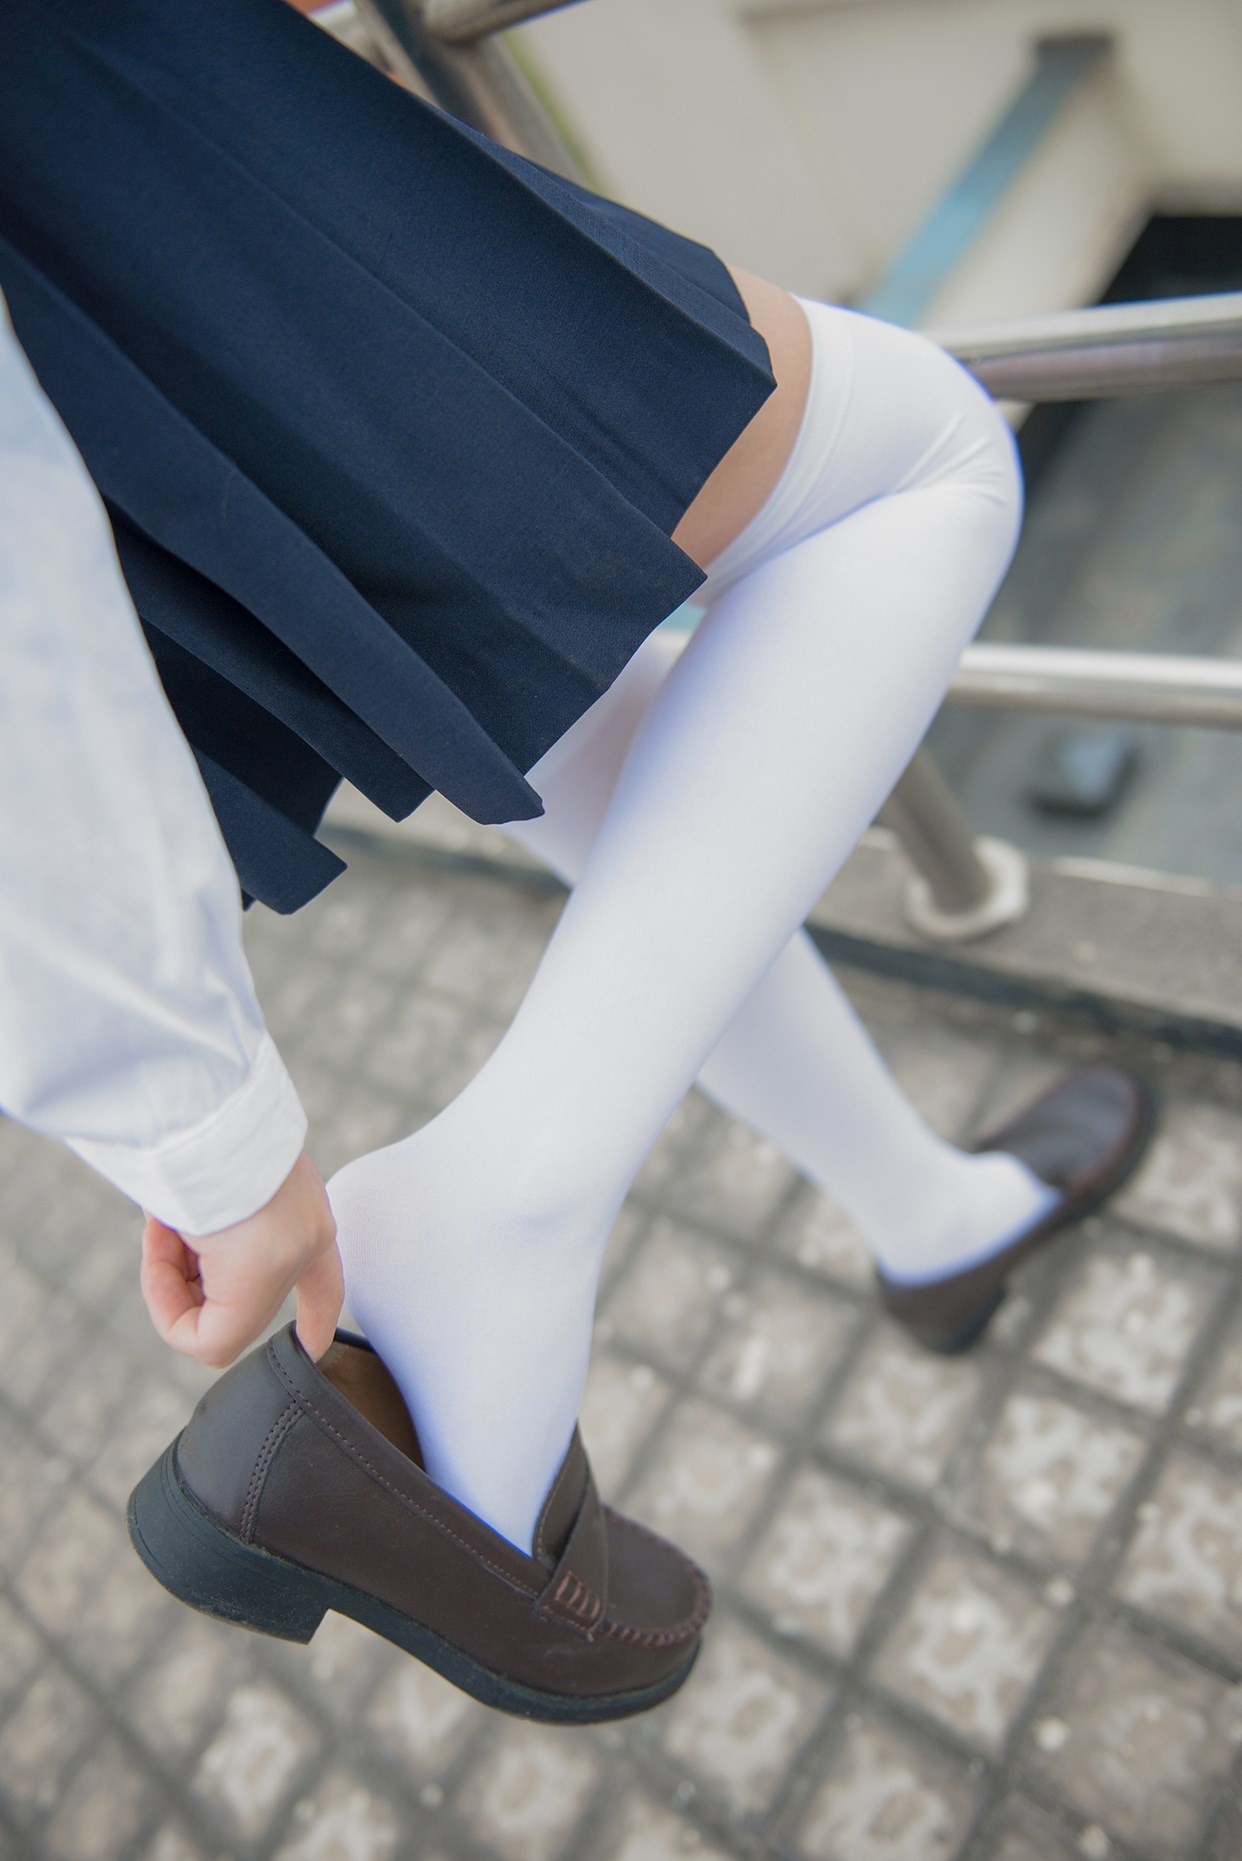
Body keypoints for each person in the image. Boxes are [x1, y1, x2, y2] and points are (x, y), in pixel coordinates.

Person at [0, 0, 1155, 1718]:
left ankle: (925, 1219)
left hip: (94, 208)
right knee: (912, 464)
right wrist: (180, 1106)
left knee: (593, 701)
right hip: (110, 166)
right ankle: (501, 1204)